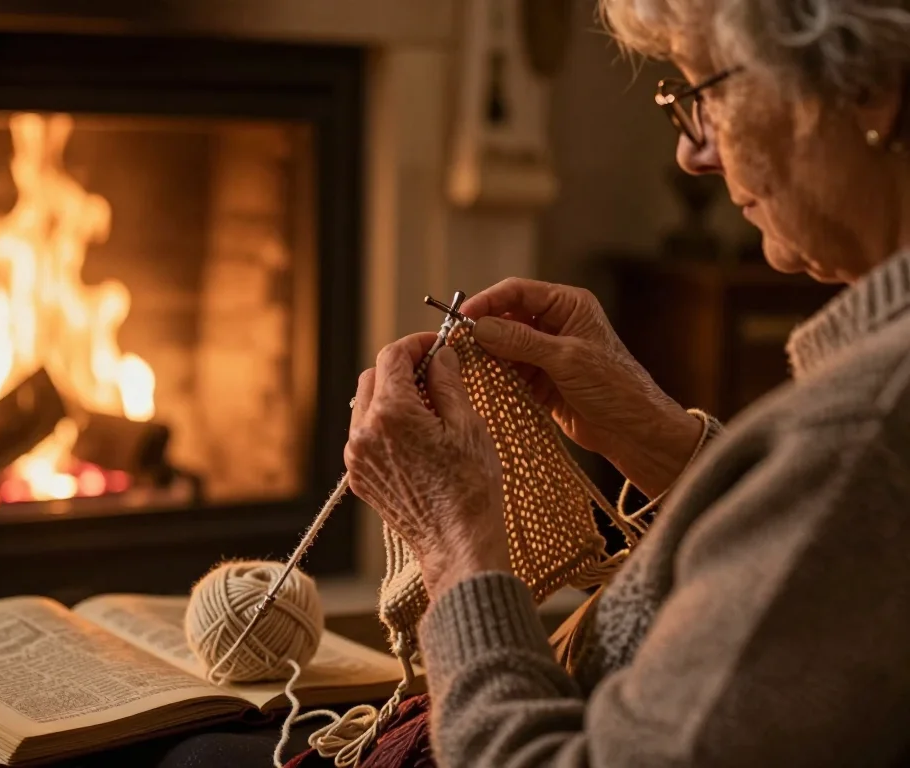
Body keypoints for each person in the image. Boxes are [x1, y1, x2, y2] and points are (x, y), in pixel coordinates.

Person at [343, 1, 910, 766]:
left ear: (872, 90)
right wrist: (666, 444)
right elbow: (811, 583)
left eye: (704, 91)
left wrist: (453, 539)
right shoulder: (864, 430)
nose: (693, 154)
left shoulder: (864, 433)